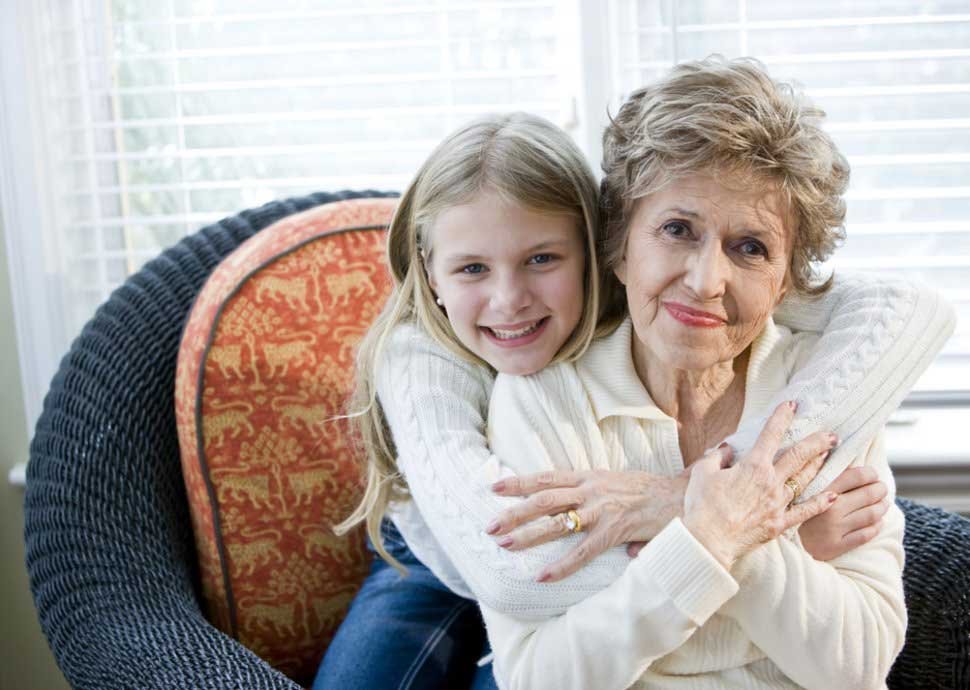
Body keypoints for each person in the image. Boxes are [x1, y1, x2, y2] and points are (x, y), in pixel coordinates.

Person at [312, 103, 953, 688]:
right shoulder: (431, 361)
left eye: (542, 259)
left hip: (568, 561)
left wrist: (694, 517)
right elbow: (510, 577)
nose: (508, 300)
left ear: (593, 253)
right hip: (439, 553)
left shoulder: (782, 366)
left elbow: (905, 307)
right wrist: (741, 535)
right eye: (472, 268)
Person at [478, 56, 920, 689]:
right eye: (677, 229)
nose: (706, 280)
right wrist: (732, 542)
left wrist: (700, 521)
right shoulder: (543, 399)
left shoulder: (825, 386)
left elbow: (859, 661)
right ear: (619, 246)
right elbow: (540, 677)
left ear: (787, 280)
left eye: (751, 248)